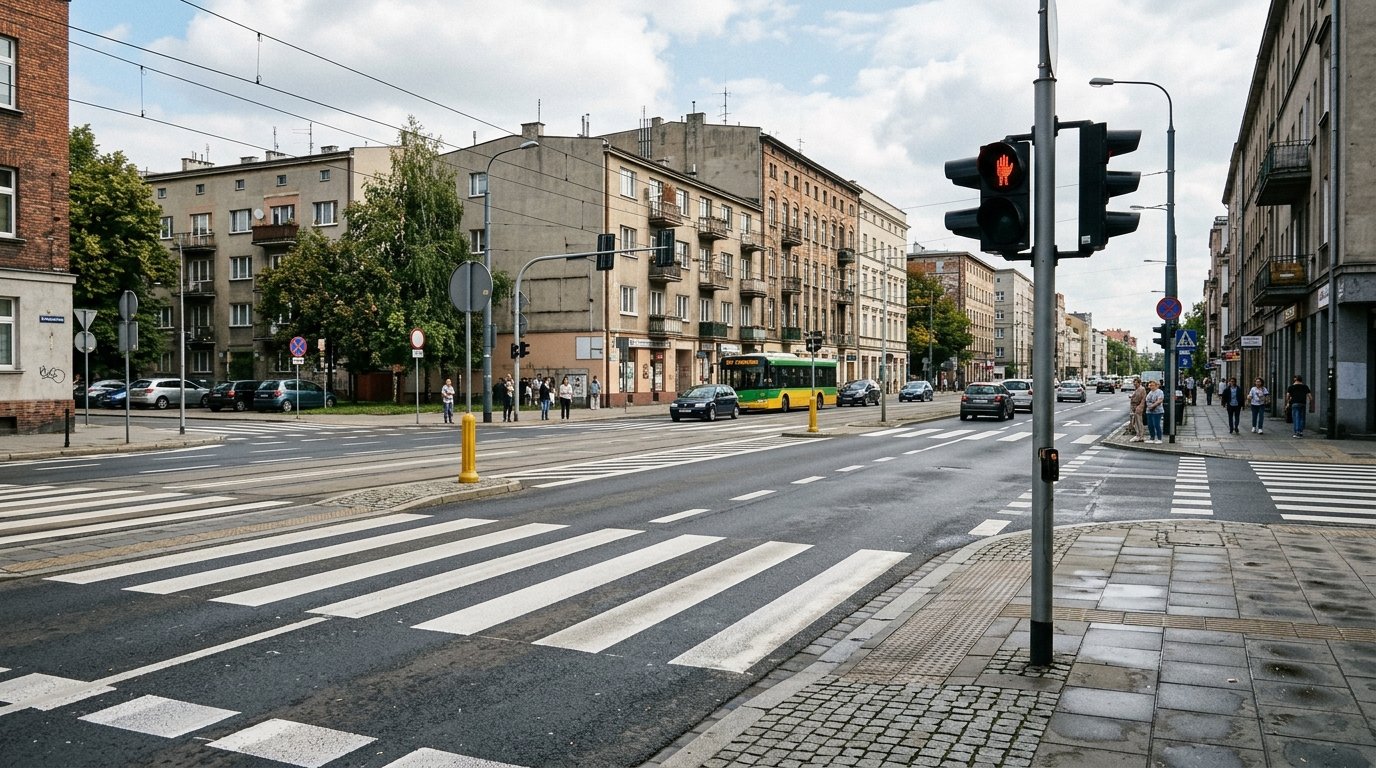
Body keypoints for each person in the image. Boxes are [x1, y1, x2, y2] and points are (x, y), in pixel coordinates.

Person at [1143, 379, 1165, 444]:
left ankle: (1159, 438)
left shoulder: (1159, 392)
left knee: (1156, 424)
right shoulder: (1150, 392)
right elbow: (1147, 401)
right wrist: (1149, 406)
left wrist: (1153, 406)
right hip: (1149, 411)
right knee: (1150, 425)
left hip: (1157, 411)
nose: (1151, 386)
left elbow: (1160, 400)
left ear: (1156, 385)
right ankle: (1152, 438)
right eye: (1150, 385)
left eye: (1152, 385)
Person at [1128, 377, 1146, 442]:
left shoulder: (1141, 389)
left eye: (1136, 383)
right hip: (1134, 406)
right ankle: (1138, 435)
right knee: (1135, 421)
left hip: (1138, 406)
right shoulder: (1137, 389)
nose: (1134, 384)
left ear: (1139, 383)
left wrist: (1140, 406)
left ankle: (1140, 435)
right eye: (1134, 383)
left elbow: (1143, 398)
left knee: (1138, 421)